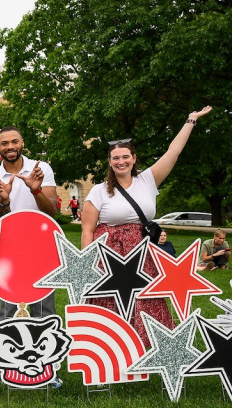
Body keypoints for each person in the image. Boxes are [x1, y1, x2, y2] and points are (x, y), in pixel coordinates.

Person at [81, 107, 212, 342]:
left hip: (143, 252)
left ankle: (147, 346)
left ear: (133, 158)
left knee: (146, 297)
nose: (121, 161)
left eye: (125, 156)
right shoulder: (99, 191)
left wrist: (191, 119)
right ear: (109, 162)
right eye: (116, 158)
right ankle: (111, 348)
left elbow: (174, 150)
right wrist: (86, 266)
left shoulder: (148, 180)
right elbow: (87, 231)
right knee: (110, 298)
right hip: (109, 254)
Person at [0, 127, 58, 318]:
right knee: (9, 307)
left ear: (22, 142)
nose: (10, 147)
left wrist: (36, 190)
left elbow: (52, 212)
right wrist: (5, 200)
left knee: (44, 308)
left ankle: (46, 345)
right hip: (9, 247)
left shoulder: (41, 169)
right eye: (4, 143)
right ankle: (5, 343)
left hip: (42, 245)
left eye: (14, 142)